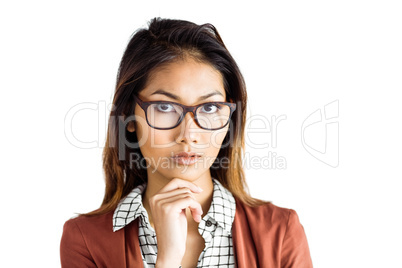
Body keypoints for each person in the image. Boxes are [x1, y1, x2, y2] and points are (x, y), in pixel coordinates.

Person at [60, 17, 313, 268]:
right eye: (164, 106)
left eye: (210, 107)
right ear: (127, 114)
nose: (188, 134)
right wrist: (168, 260)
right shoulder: (85, 239)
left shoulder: (281, 231)